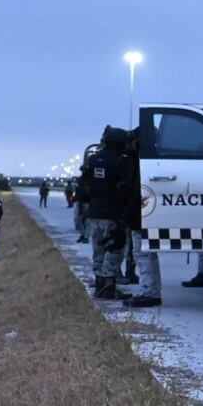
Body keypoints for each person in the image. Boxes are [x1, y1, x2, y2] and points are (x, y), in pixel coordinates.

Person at [87, 127, 133, 300]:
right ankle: (109, 288)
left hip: (95, 213)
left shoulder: (93, 159)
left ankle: (99, 284)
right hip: (113, 214)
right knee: (114, 250)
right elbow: (125, 188)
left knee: (98, 250)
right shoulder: (122, 161)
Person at [121, 128, 161, 307]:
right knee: (148, 255)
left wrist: (126, 215)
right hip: (145, 214)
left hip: (140, 216)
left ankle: (148, 292)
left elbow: (135, 192)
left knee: (143, 255)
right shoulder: (151, 160)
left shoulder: (141, 163)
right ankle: (152, 291)